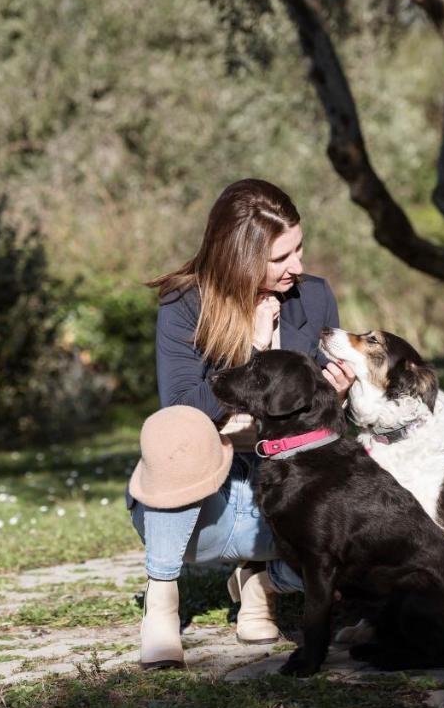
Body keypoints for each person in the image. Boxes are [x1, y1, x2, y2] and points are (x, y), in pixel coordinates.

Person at [128, 178, 356, 670]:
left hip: (285, 497)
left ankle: (264, 580)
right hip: (212, 501)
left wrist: (336, 396)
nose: (297, 267)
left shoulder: (313, 297)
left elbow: (323, 424)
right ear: (239, 256)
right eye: (280, 258)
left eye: (299, 248)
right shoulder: (184, 305)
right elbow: (182, 406)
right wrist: (253, 350)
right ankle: (162, 601)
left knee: (365, 526)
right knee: (177, 433)